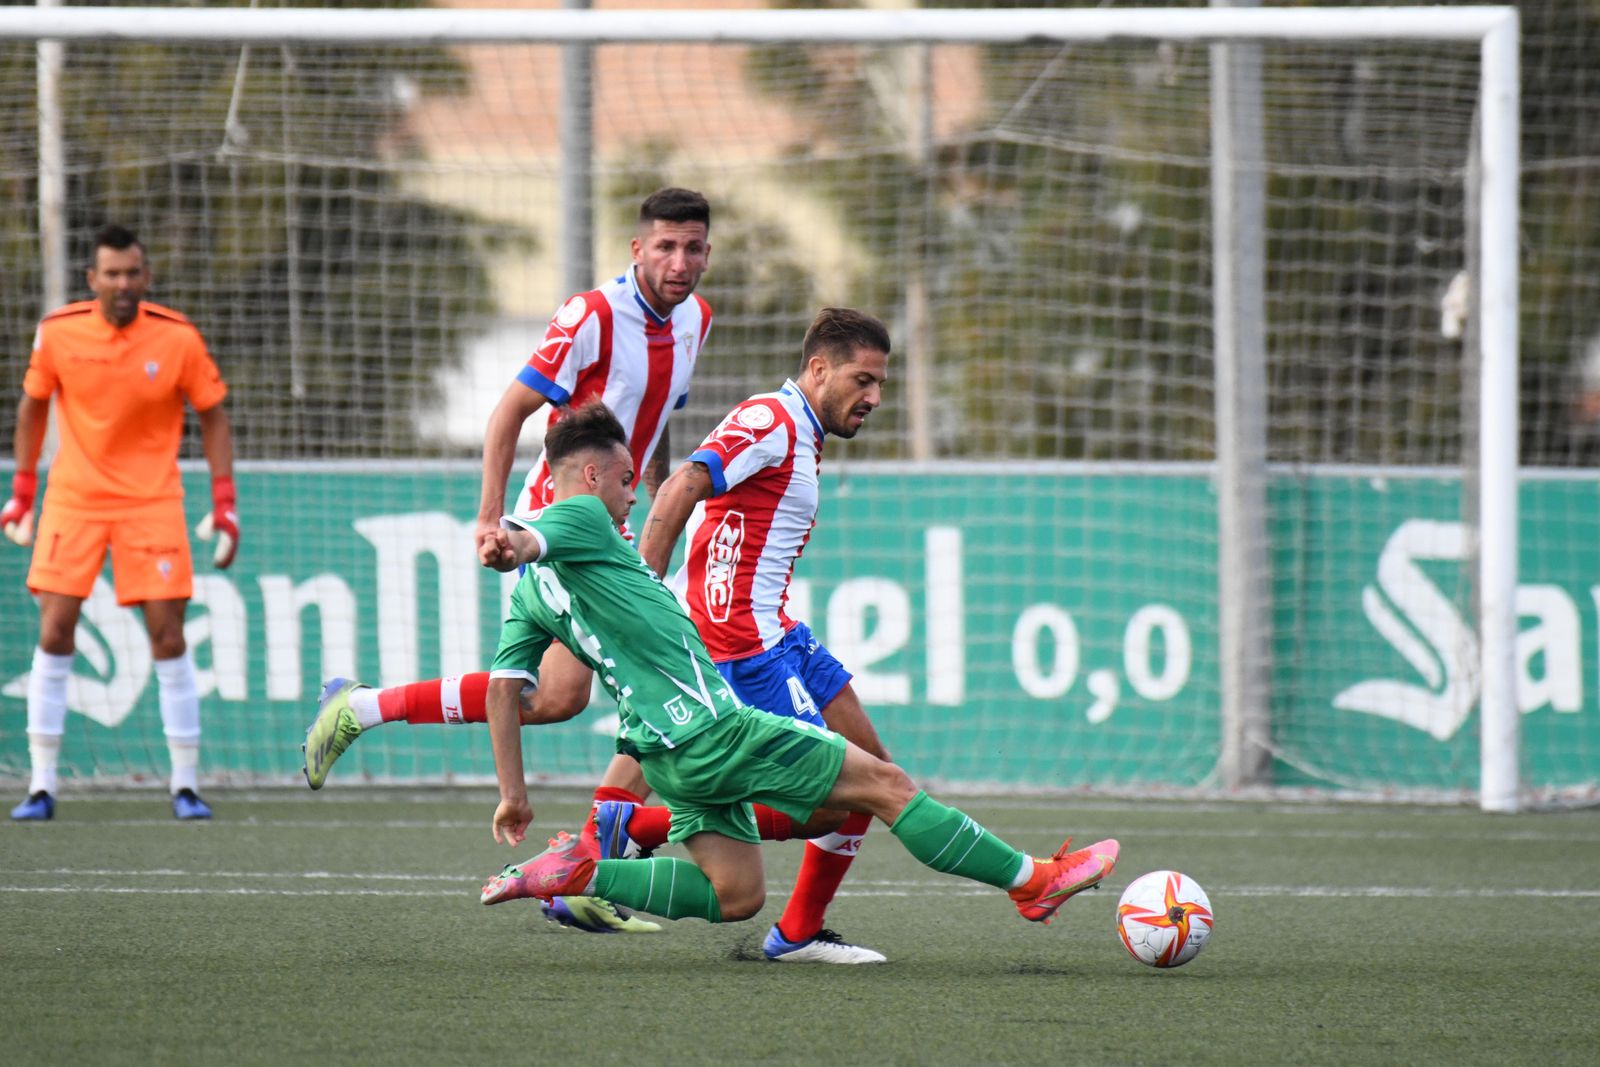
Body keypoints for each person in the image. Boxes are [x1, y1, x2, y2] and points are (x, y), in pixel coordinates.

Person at [473, 401, 1121, 948]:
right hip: (712, 730)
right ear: (591, 473)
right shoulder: (584, 516)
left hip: (661, 753)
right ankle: (1033, 883)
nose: (630, 495)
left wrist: (513, 792)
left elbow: (503, 691)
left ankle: (582, 871)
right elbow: (533, 536)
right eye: (624, 480)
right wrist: (508, 539)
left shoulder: (530, 599)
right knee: (886, 782)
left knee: (737, 895)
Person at [301, 186, 712, 931]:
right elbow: (510, 411)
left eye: (693, 248)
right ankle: (587, 859)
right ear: (637, 249)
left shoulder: (696, 321)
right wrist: (492, 519)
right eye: (665, 246)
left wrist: (658, 514)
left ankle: (359, 708)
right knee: (642, 687)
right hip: (560, 525)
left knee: (557, 699)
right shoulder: (592, 315)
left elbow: (654, 432)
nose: (680, 262)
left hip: (611, 531)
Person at [556, 308, 900, 963]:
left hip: (777, 628)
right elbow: (686, 481)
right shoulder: (770, 417)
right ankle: (633, 831)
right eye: (864, 380)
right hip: (741, 638)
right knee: (842, 796)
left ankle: (791, 931)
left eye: (882, 383)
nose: (875, 397)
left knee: (872, 767)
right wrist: (643, 590)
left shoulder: (802, 429)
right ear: (819, 369)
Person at [3, 224, 238, 821]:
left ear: (146, 276)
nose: (123, 283)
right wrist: (23, 490)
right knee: (55, 631)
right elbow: (33, 407)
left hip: (151, 502)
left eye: (133, 272)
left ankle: (185, 784)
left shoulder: (177, 337)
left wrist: (224, 499)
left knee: (169, 636)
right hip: (74, 500)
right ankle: (41, 784)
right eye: (112, 273)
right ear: (93, 279)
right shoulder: (58, 333)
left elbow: (212, 415)